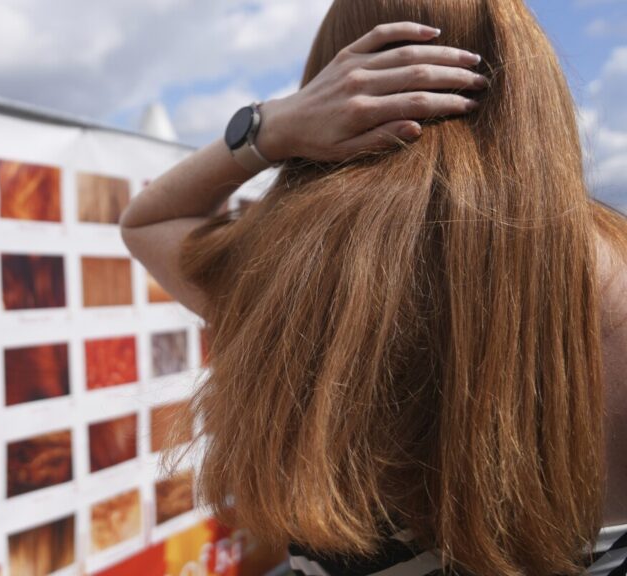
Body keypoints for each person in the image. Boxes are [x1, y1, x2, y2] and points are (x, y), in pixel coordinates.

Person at [119, 1, 627, 574]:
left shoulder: (282, 272)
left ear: (335, 82)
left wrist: (272, 126)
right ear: (532, 83)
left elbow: (146, 221)